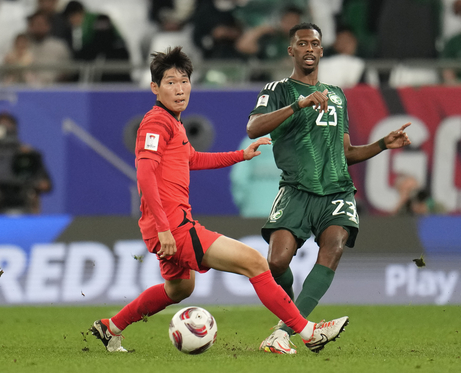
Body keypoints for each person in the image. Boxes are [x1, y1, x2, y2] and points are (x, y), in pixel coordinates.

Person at [89, 46, 348, 354]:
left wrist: (241, 155)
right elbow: (144, 173)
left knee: (180, 288)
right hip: (172, 226)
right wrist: (163, 228)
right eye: (170, 82)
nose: (180, 88)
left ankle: (111, 327)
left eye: (184, 80)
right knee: (254, 262)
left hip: (168, 226)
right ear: (154, 88)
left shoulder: (172, 122)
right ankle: (308, 333)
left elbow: (192, 158)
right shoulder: (156, 122)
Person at [245, 22, 411, 354]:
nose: (309, 48)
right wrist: (299, 105)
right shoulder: (277, 89)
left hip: (336, 190)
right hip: (295, 189)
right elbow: (253, 128)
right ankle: (294, 317)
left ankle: (283, 332)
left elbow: (346, 153)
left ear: (321, 51)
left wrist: (381, 144)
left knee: (334, 246)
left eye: (315, 44)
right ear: (291, 51)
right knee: (276, 262)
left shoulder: (337, 95)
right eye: (302, 43)